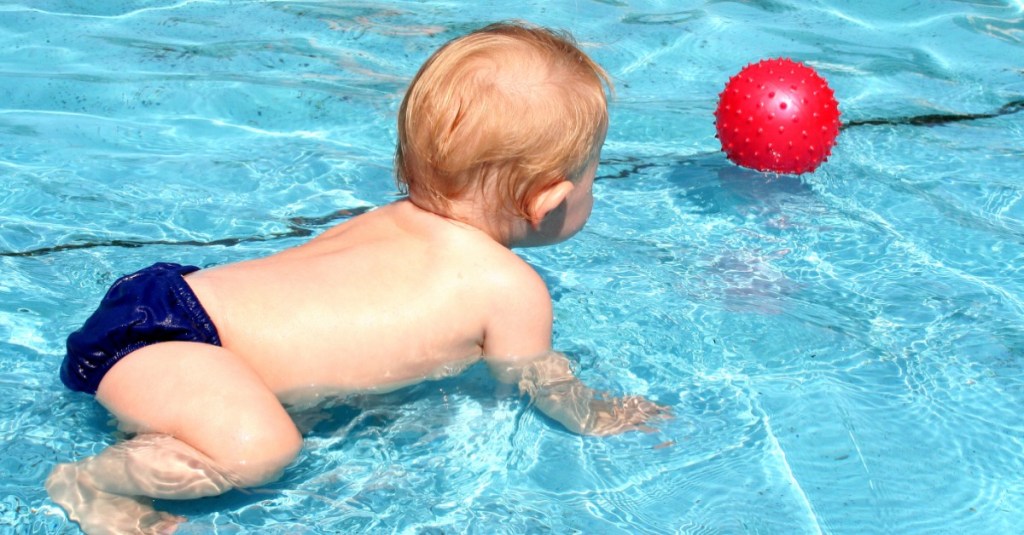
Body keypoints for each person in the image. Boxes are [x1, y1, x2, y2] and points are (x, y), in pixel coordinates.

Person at [46, 21, 669, 534]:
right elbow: (539, 382)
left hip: (164, 300)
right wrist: (599, 414)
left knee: (273, 413)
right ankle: (90, 481)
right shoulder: (510, 289)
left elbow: (330, 317)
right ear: (550, 199)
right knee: (260, 450)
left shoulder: (388, 220)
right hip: (179, 349)